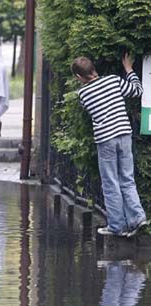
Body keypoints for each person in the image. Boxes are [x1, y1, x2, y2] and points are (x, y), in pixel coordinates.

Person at [72, 55, 148, 237]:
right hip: (124, 133)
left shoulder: (83, 94)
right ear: (93, 68)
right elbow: (138, 91)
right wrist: (129, 69)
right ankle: (138, 218)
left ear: (79, 77)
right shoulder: (114, 81)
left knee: (110, 183)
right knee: (127, 179)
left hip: (105, 139)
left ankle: (117, 226)